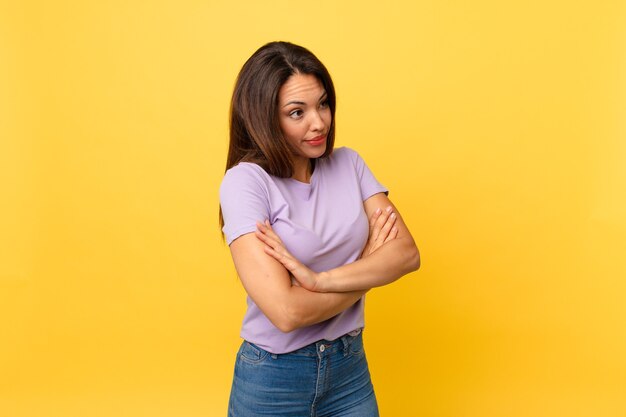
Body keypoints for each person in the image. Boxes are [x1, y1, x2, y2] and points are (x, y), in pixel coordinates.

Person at [219, 41, 420, 417]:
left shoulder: (349, 164)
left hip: (349, 369)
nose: (319, 122)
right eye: (297, 112)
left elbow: (407, 254)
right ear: (264, 118)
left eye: (323, 104)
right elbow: (286, 312)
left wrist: (319, 280)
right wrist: (368, 265)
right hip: (274, 379)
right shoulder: (246, 183)